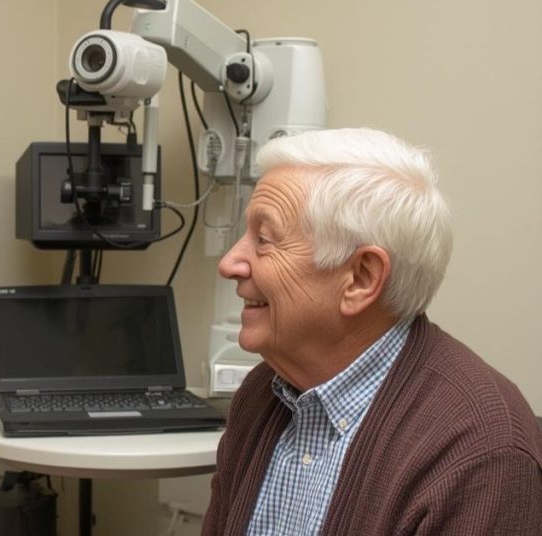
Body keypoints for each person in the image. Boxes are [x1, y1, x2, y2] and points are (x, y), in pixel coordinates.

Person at [202, 128, 542, 535]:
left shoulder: (481, 450)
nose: (230, 263)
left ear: (361, 278)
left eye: (264, 239)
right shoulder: (262, 394)